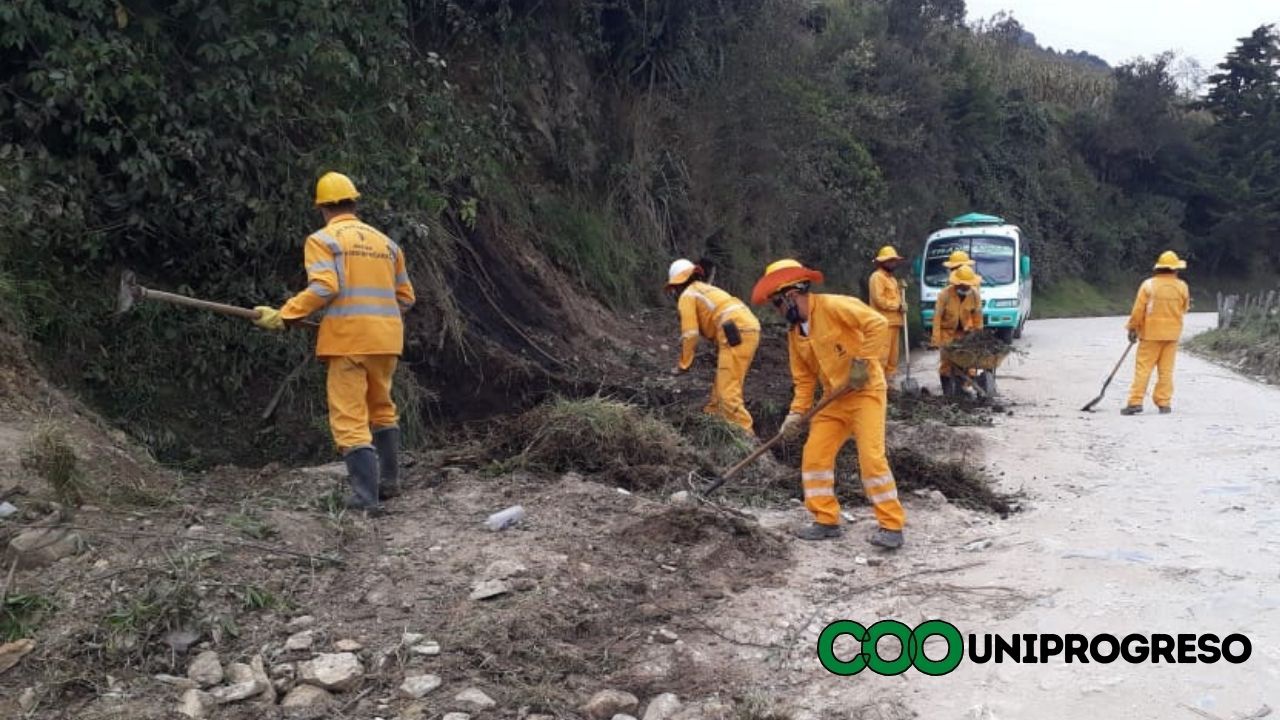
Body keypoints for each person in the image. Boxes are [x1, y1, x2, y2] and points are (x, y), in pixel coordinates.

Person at [252, 172, 415, 514]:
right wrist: (373, 316)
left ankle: (363, 500)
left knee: (350, 418)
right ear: (354, 202)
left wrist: (285, 315)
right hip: (386, 340)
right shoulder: (387, 244)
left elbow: (325, 287)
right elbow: (406, 297)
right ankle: (388, 483)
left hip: (349, 343)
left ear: (322, 207)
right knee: (382, 409)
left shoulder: (324, 240)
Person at [750, 259, 905, 548]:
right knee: (814, 456)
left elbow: (877, 323)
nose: (778, 311)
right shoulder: (795, 335)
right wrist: (795, 414)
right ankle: (825, 520)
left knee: (871, 458)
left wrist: (862, 362)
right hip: (832, 400)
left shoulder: (834, 306)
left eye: (776, 304)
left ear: (791, 296)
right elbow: (805, 381)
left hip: (865, 393)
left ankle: (891, 525)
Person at [667, 258, 760, 434]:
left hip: (735, 331)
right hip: (746, 328)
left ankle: (748, 438)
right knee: (724, 384)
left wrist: (683, 364)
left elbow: (690, 334)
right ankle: (712, 417)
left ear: (676, 286)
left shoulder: (687, 296)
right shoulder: (704, 289)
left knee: (727, 393)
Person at [1122, 251, 1191, 415]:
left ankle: (1135, 402)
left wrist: (1133, 327)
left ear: (1158, 268)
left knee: (1143, 369)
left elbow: (1138, 310)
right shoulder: (1182, 286)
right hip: (1172, 335)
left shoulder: (1148, 285)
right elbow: (1184, 308)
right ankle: (1164, 403)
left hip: (1150, 334)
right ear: (1175, 270)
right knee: (1166, 371)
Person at [931, 265, 983, 397]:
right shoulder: (945, 295)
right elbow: (937, 317)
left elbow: (978, 317)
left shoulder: (974, 295)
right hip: (947, 333)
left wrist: (979, 336)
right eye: (964, 286)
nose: (967, 288)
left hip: (965, 334)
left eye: (969, 286)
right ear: (957, 284)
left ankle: (965, 389)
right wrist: (936, 339)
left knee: (969, 362)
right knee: (947, 364)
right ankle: (947, 393)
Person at [868, 245, 907, 378]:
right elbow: (879, 300)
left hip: (895, 323)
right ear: (882, 262)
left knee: (892, 359)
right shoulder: (876, 277)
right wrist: (897, 305)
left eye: (894, 261)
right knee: (882, 357)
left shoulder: (892, 280)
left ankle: (890, 387)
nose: (893, 263)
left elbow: (896, 300)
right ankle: (879, 386)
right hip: (882, 324)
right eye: (890, 260)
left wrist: (902, 303)